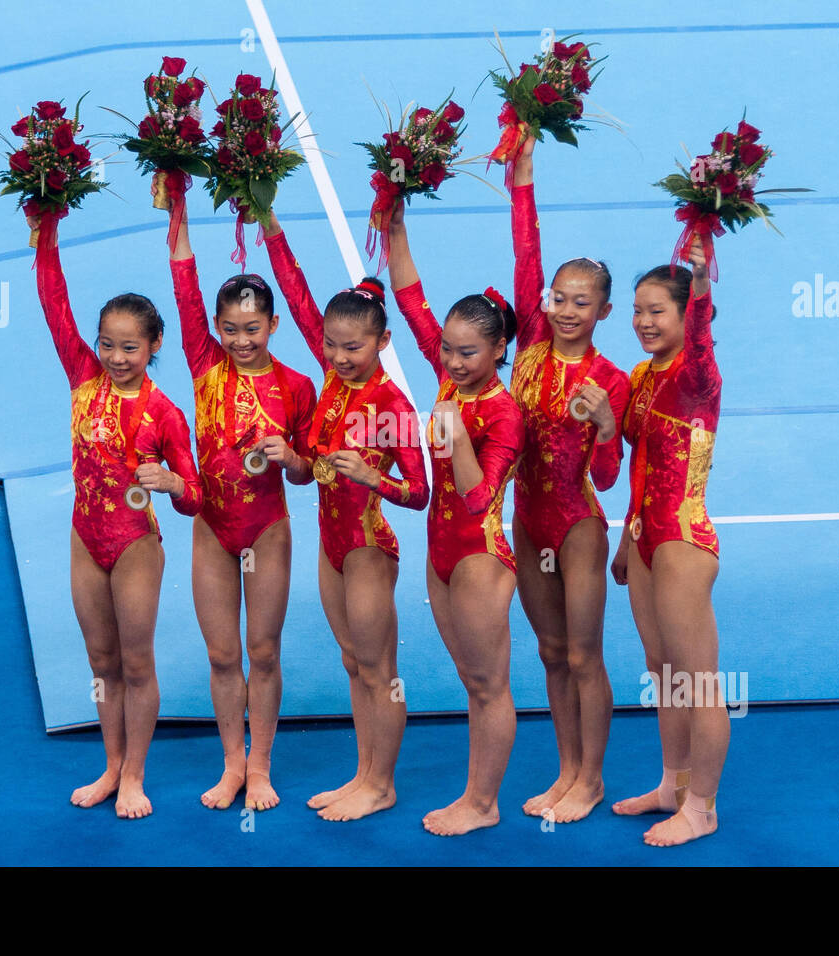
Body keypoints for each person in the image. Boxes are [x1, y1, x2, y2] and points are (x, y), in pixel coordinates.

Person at [30, 209, 203, 819]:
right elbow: (54, 300)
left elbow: (195, 499)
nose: (115, 356)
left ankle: (135, 774)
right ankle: (109, 764)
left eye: (130, 347)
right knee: (100, 660)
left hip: (134, 544)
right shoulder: (82, 377)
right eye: (107, 344)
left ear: (155, 346)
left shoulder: (167, 413)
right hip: (85, 537)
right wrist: (45, 224)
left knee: (135, 659)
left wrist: (173, 479)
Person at [261, 208, 430, 821]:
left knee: (380, 667)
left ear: (383, 341)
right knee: (354, 662)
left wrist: (371, 476)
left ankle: (381, 786)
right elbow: (299, 296)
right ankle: (363, 774)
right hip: (329, 547)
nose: (336, 356)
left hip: (366, 548)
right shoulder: (334, 383)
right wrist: (265, 216)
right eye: (330, 345)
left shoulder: (391, 403)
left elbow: (421, 493)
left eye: (352, 347)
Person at [162, 176, 317, 812]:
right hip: (212, 529)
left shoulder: (298, 385)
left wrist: (294, 458)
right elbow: (182, 282)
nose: (241, 339)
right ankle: (231, 763)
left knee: (263, 650)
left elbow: (310, 473)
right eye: (231, 328)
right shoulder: (203, 364)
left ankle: (261, 766)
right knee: (223, 654)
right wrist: (175, 195)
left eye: (252, 328)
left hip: (268, 527)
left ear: (273, 324)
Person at [386, 199, 526, 835]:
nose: (453, 363)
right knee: (471, 681)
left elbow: (479, 498)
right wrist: (393, 220)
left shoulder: (503, 413)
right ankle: (477, 795)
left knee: (488, 682)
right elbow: (410, 297)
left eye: (469, 353)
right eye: (446, 350)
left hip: (480, 554)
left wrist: (459, 440)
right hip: (438, 550)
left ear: (499, 350)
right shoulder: (450, 383)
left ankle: (482, 803)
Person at [508, 134, 631, 822]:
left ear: (603, 312)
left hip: (578, 524)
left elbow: (609, 479)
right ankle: (565, 769)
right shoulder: (527, 347)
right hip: (527, 520)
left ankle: (592, 778)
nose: (564, 308)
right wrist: (523, 173)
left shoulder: (610, 379)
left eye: (581, 302)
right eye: (559, 296)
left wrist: (609, 424)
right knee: (551, 651)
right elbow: (526, 253)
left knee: (584, 653)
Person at [610, 236, 728, 846]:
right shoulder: (641, 373)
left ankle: (702, 809)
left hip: (683, 537)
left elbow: (703, 342)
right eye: (637, 310)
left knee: (699, 679)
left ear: (686, 313)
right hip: (645, 538)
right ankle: (673, 785)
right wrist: (627, 540)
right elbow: (638, 459)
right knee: (665, 675)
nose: (644, 321)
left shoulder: (696, 376)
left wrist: (703, 279)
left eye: (657, 310)